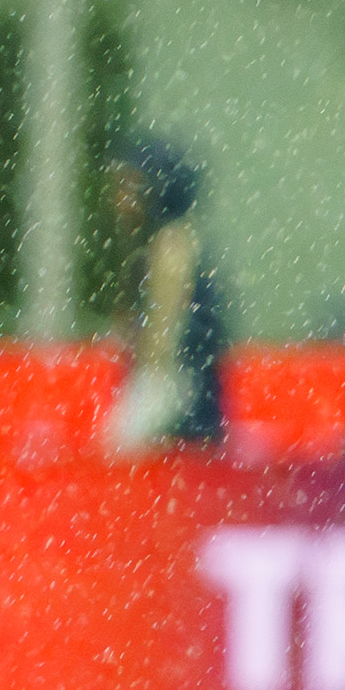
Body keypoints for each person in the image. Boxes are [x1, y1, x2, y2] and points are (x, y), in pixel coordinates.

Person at [101, 136, 231, 455]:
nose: (119, 198)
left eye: (128, 186)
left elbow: (161, 350)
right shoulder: (173, 240)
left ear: (155, 188)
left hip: (179, 401)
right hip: (190, 400)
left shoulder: (171, 245)